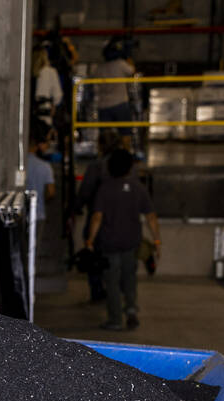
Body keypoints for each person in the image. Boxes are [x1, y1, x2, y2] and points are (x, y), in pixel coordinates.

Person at [85, 149, 160, 330]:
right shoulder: (138, 187)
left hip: (109, 243)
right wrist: (157, 241)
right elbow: (151, 216)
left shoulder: (104, 188)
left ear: (110, 167)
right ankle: (131, 310)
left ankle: (116, 319)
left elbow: (97, 217)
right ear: (130, 167)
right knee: (129, 278)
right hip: (131, 243)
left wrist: (90, 239)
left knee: (111, 281)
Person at [72, 130, 124, 303]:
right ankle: (117, 290)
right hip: (119, 220)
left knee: (93, 254)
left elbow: (85, 192)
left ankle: (97, 292)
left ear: (101, 145)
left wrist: (76, 207)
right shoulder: (126, 166)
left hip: (97, 217)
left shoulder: (96, 167)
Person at [94, 36, 137, 144]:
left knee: (104, 135)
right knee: (125, 133)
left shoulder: (99, 68)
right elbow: (132, 71)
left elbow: (94, 86)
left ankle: (104, 156)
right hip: (120, 103)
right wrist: (128, 57)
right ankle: (126, 156)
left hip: (103, 105)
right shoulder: (121, 64)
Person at [26, 120, 56, 226]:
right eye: (47, 142)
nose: (48, 145)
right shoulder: (45, 166)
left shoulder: (16, 164)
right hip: (38, 214)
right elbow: (51, 192)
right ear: (40, 143)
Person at [33, 46, 63, 130]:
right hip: (46, 110)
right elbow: (58, 95)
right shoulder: (50, 72)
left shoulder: (30, 72)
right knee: (43, 137)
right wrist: (54, 104)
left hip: (31, 111)